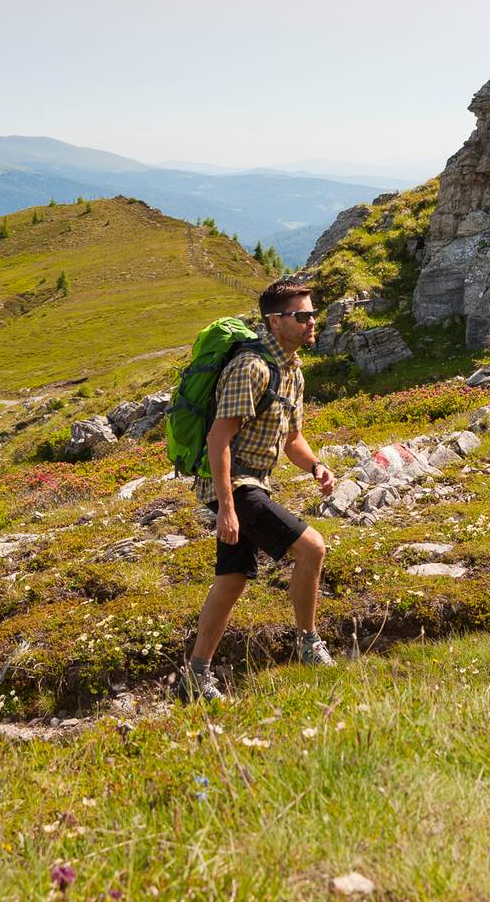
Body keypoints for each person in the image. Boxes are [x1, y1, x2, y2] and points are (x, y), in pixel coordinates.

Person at [180, 276, 337, 702]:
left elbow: (292, 440)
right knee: (313, 548)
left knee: (231, 580)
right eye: (301, 315)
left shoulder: (292, 371)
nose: (310, 322)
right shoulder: (251, 367)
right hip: (235, 484)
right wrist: (227, 507)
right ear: (275, 321)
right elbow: (218, 439)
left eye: (312, 314)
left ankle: (194, 677)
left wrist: (316, 466)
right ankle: (308, 644)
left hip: (253, 484)